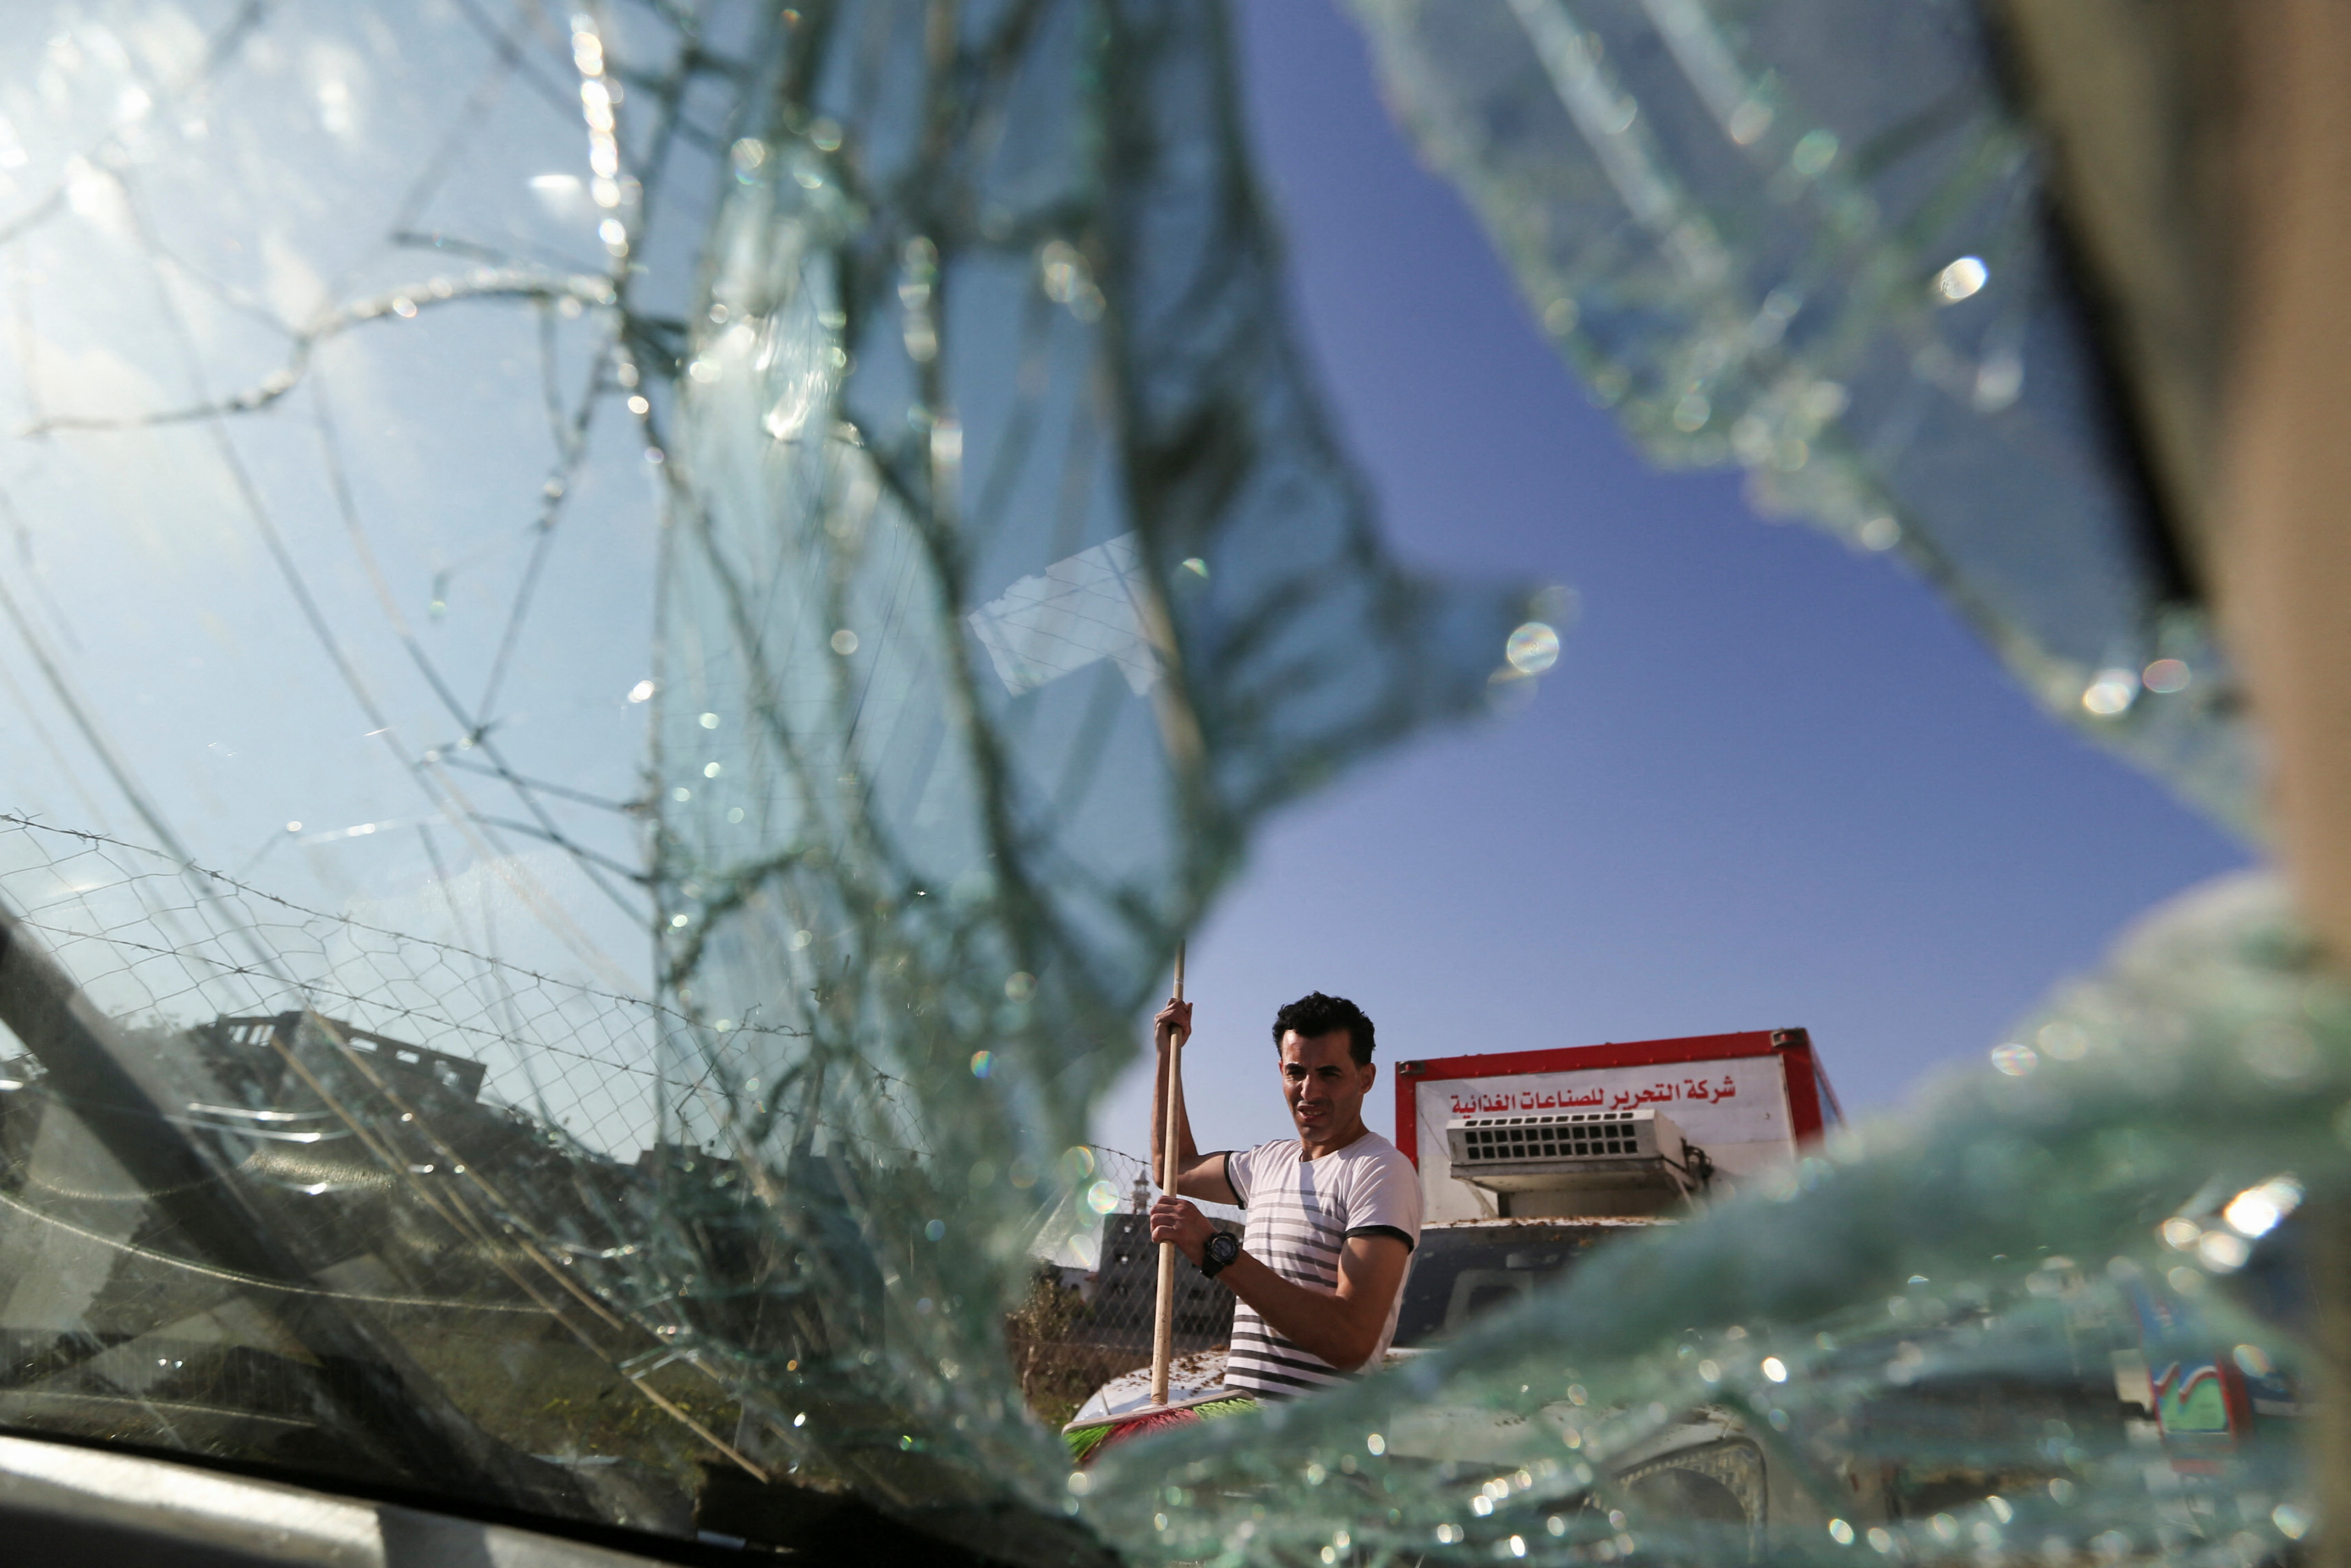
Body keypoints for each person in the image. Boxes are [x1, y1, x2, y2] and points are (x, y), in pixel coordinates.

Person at [1147, 990, 1421, 1398]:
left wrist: (1215, 1251)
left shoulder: (1381, 1170)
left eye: (1330, 1073)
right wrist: (1169, 1054)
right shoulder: (1268, 1163)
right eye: (1296, 1072)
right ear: (1280, 1071)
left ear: (1366, 1078)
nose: (1309, 1092)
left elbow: (1351, 1340)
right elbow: (1172, 1165)